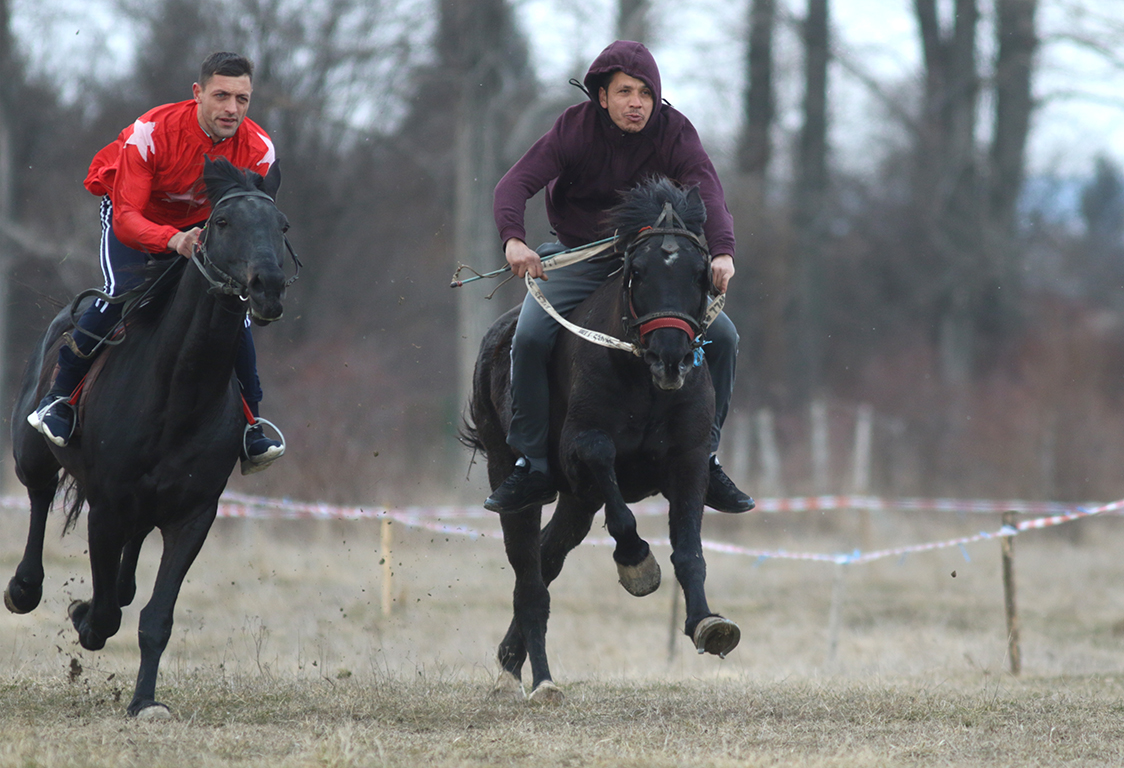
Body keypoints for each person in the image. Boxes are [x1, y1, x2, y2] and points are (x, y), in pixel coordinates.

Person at [486, 40, 753, 514]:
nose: (637, 103)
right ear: (602, 96)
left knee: (727, 339)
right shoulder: (573, 129)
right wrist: (514, 240)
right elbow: (514, 184)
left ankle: (706, 458)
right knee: (527, 337)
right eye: (626, 91)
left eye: (646, 93)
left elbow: (708, 190)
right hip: (579, 258)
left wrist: (724, 252)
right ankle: (531, 463)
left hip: (652, 267)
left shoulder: (675, 132)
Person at [28, 52, 284, 472]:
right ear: (198, 93)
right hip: (138, 220)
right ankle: (60, 398)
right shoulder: (149, 133)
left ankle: (252, 426)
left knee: (231, 310)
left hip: (202, 229)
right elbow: (128, 219)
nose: (232, 109)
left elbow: (253, 222)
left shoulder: (260, 150)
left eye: (242, 99)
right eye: (221, 96)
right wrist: (173, 239)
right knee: (122, 294)